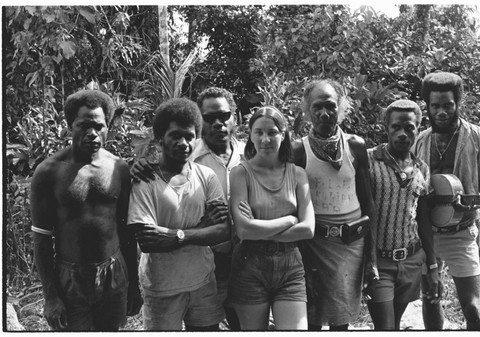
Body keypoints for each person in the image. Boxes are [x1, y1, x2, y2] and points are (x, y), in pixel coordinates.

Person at [130, 87, 244, 330]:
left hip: (212, 276)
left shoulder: (215, 171)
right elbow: (149, 241)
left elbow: (222, 230)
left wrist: (175, 234)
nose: (184, 143)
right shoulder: (147, 179)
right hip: (163, 286)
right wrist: (202, 229)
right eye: (176, 136)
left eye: (190, 136)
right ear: (161, 139)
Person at [30, 90, 142, 331]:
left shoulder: (118, 168)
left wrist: (133, 285)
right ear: (70, 126)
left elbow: (126, 229)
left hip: (114, 272)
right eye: (84, 126)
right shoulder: (49, 172)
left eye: (99, 126)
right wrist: (50, 297)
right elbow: (40, 237)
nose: (93, 133)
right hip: (71, 278)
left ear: (108, 127)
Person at [293, 79, 378, 330]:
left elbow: (368, 202)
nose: (324, 113)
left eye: (330, 106)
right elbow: (293, 205)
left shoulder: (355, 146)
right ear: (307, 110)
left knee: (341, 320)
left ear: (341, 107)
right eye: (317, 107)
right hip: (314, 244)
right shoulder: (299, 150)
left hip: (351, 244)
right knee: (313, 315)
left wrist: (371, 259)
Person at [415, 72, 480, 330]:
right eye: (434, 106)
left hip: (461, 233)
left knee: (471, 306)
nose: (441, 111)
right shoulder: (418, 140)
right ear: (426, 105)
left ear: (459, 103)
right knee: (430, 299)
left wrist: (474, 202)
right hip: (425, 235)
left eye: (447, 105)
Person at [227, 106, 315, 330]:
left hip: (290, 266)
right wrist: (289, 220)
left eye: (272, 132)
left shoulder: (297, 174)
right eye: (259, 132)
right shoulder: (240, 173)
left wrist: (260, 227)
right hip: (250, 264)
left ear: (284, 134)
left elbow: (308, 229)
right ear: (250, 135)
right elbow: (244, 231)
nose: (265, 139)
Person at [366, 99, 438, 330]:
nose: (402, 134)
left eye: (409, 128)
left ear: (418, 128)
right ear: (386, 127)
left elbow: (423, 219)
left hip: (410, 260)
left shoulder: (422, 169)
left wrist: (433, 266)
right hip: (380, 261)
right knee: (385, 327)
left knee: (394, 325)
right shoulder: (368, 161)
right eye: (396, 127)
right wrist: (368, 260)